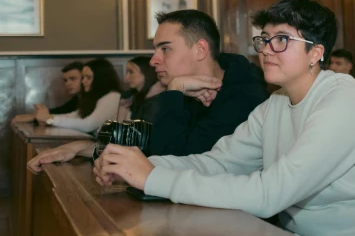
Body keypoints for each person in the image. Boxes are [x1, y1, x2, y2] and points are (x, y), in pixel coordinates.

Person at [93, 0, 355, 236]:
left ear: (316, 52)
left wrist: (152, 178)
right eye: (264, 39)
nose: (265, 49)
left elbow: (270, 194)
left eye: (281, 40)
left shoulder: (343, 101)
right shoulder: (275, 105)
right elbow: (218, 162)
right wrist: (131, 164)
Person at [28, 10, 268, 172]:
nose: (154, 61)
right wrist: (83, 147)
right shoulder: (194, 86)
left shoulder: (244, 97)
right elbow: (149, 139)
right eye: (156, 50)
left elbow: (173, 158)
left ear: (200, 50)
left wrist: (174, 91)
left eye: (165, 49)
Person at [33, 59, 121, 133]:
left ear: (101, 78)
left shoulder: (112, 96)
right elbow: (75, 115)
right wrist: (48, 118)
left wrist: (49, 119)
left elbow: (88, 125)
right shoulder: (93, 98)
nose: (83, 81)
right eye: (83, 78)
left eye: (88, 78)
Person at [12, 61, 83, 124]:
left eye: (73, 79)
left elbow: (75, 122)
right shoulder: (77, 99)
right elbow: (60, 112)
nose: (67, 83)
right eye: (65, 80)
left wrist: (38, 118)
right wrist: (36, 116)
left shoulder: (91, 100)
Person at [117, 55, 165, 121]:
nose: (126, 79)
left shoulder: (155, 102)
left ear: (146, 73)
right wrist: (122, 108)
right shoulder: (133, 97)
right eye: (127, 73)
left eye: (131, 72)